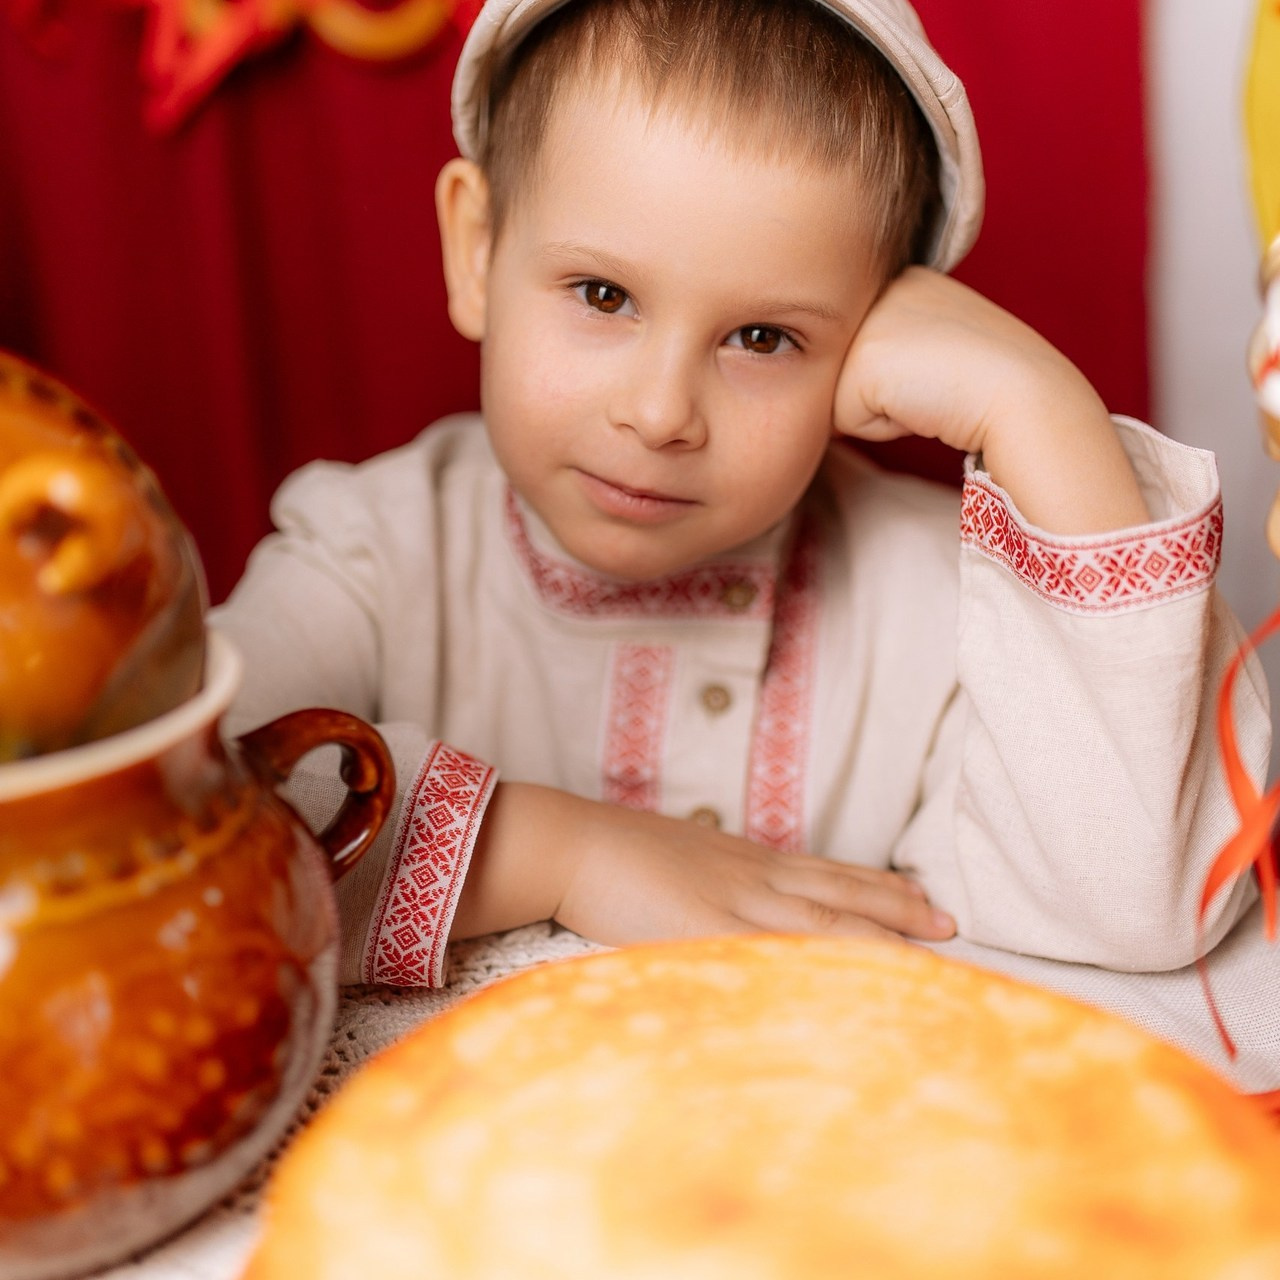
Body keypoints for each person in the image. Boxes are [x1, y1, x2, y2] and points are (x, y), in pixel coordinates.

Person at [212, 0, 1280, 1088]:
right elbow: (171, 826)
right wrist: (560, 850)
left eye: (762, 337)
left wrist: (1040, 410)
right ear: (476, 249)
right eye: (603, 293)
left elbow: (1136, 902)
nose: (662, 410)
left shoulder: (941, 600)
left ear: (873, 339)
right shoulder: (372, 548)